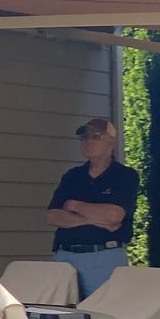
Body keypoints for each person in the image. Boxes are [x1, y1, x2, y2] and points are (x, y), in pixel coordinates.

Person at [46, 117, 140, 298]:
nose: (88, 141)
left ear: (111, 141)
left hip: (104, 255)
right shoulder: (72, 176)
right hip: (65, 255)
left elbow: (114, 216)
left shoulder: (124, 176)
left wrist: (74, 205)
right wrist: (94, 219)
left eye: (95, 136)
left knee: (105, 309)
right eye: (84, 137)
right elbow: (52, 216)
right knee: (60, 309)